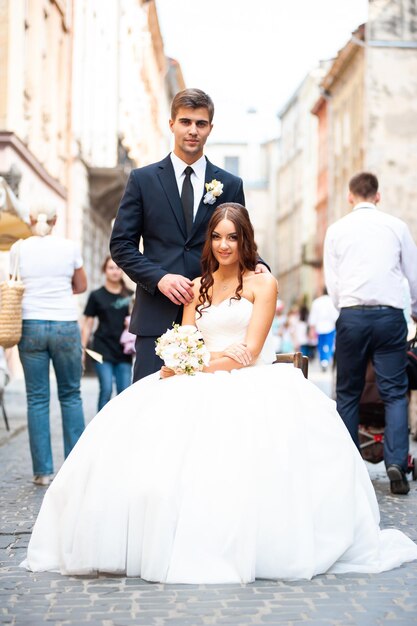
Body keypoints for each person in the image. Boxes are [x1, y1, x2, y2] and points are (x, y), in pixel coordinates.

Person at [21, 203, 417, 582]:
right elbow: (188, 336)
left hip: (246, 383)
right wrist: (185, 359)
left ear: (246, 240)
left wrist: (192, 362)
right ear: (209, 241)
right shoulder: (197, 287)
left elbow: (250, 350)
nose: (224, 245)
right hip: (194, 377)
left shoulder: (264, 283)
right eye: (216, 237)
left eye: (232, 237)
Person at [110, 88, 268, 382]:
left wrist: (258, 264)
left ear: (210, 128)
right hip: (155, 316)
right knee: (149, 406)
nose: (193, 131)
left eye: (201, 123)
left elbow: (238, 239)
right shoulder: (142, 180)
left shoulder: (230, 184)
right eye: (185, 122)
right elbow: (121, 245)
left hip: (211, 317)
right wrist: (159, 278)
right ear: (171, 124)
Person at [324, 172, 417, 495]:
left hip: (352, 315)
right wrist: (415, 308)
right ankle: (396, 463)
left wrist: (346, 307)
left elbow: (332, 282)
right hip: (390, 316)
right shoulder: (396, 226)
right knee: (394, 392)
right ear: (377, 196)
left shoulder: (336, 230)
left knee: (348, 392)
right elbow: (413, 274)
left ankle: (351, 471)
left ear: (351, 197)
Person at [9, 205, 86, 487]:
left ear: (30, 219)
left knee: (37, 399)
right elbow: (81, 284)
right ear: (55, 220)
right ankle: (75, 468)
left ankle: (42, 472)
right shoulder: (69, 247)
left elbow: (13, 283)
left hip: (30, 325)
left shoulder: (19, 248)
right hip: (65, 323)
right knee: (71, 395)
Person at [81, 256, 133, 411]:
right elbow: (88, 323)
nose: (115, 271)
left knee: (124, 391)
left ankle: (122, 427)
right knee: (106, 389)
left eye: (118, 268)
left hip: (124, 350)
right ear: (105, 270)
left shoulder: (130, 295)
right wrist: (82, 348)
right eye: (111, 267)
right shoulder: (96, 295)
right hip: (101, 348)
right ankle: (100, 431)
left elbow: (138, 320)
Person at [308, 288, 339, 371]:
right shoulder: (332, 302)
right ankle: (327, 360)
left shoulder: (317, 302)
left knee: (321, 345)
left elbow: (313, 317)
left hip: (320, 327)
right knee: (329, 344)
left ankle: (323, 360)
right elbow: (335, 316)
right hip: (330, 326)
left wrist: (312, 329)